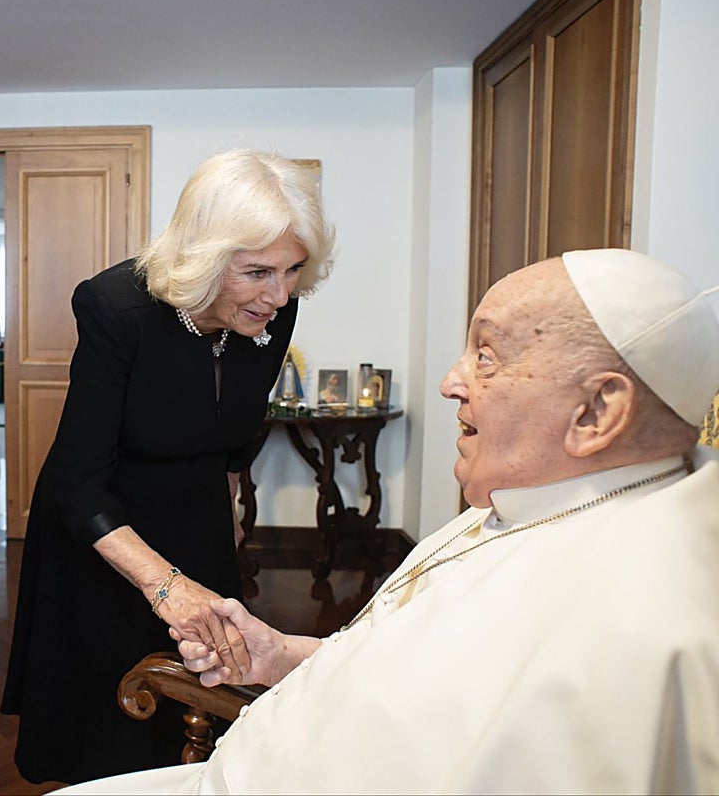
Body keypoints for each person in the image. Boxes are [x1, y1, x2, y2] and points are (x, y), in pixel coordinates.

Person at [58, 248, 719, 794]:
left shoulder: (643, 624)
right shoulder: (527, 504)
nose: (451, 381)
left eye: (487, 356)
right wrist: (281, 655)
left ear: (598, 412)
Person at [1, 149, 336, 784]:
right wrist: (166, 586)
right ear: (205, 256)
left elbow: (237, 428)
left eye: (293, 270)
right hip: (106, 525)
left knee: (199, 693)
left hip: (196, 512)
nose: (279, 294)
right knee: (108, 715)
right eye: (258, 272)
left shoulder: (273, 310)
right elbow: (77, 480)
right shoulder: (114, 308)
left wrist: (228, 505)